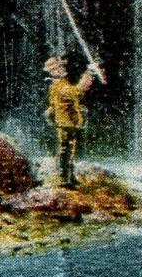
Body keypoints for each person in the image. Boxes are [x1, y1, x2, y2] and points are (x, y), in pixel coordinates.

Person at [44, 53, 103, 187]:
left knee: (69, 151)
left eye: (62, 66)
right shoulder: (60, 87)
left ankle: (68, 176)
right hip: (65, 123)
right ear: (54, 71)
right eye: (59, 67)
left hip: (68, 122)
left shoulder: (58, 85)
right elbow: (77, 92)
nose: (63, 68)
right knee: (66, 151)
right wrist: (89, 73)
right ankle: (64, 178)